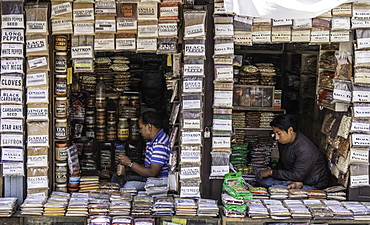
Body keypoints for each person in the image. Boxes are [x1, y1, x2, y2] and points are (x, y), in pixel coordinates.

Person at [256, 114, 328, 190]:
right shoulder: (283, 142)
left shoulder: (304, 148)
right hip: (293, 179)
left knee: (273, 187)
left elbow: (297, 175)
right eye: (275, 134)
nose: (276, 138)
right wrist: (272, 173)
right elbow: (282, 162)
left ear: (290, 130)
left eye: (279, 133)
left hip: (311, 184)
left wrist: (271, 172)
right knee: (259, 176)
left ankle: (295, 185)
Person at [112, 110, 171, 191]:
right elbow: (149, 166)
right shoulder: (156, 139)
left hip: (157, 182)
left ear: (149, 127)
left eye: (141, 128)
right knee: (116, 177)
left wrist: (129, 163)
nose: (139, 131)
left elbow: (152, 172)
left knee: (127, 186)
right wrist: (130, 168)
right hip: (149, 179)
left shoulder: (160, 144)